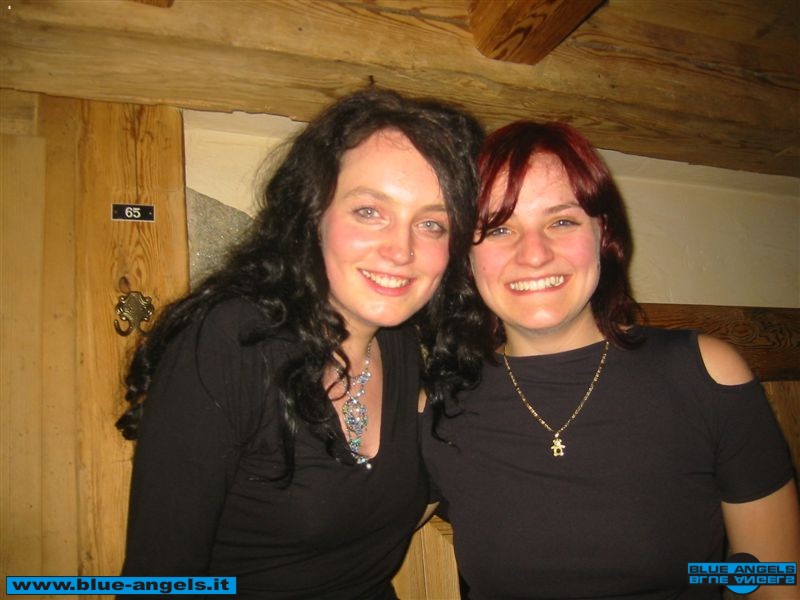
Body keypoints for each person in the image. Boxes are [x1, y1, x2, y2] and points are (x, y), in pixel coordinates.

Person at [116, 88, 483, 599]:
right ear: (312, 214)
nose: (401, 250)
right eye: (369, 211)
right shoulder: (231, 341)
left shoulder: (403, 347)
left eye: (431, 223)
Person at [422, 121, 800, 599]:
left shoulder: (705, 373)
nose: (534, 254)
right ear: (465, 258)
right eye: (499, 228)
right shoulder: (441, 406)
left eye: (562, 221)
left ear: (603, 234)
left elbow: (771, 577)